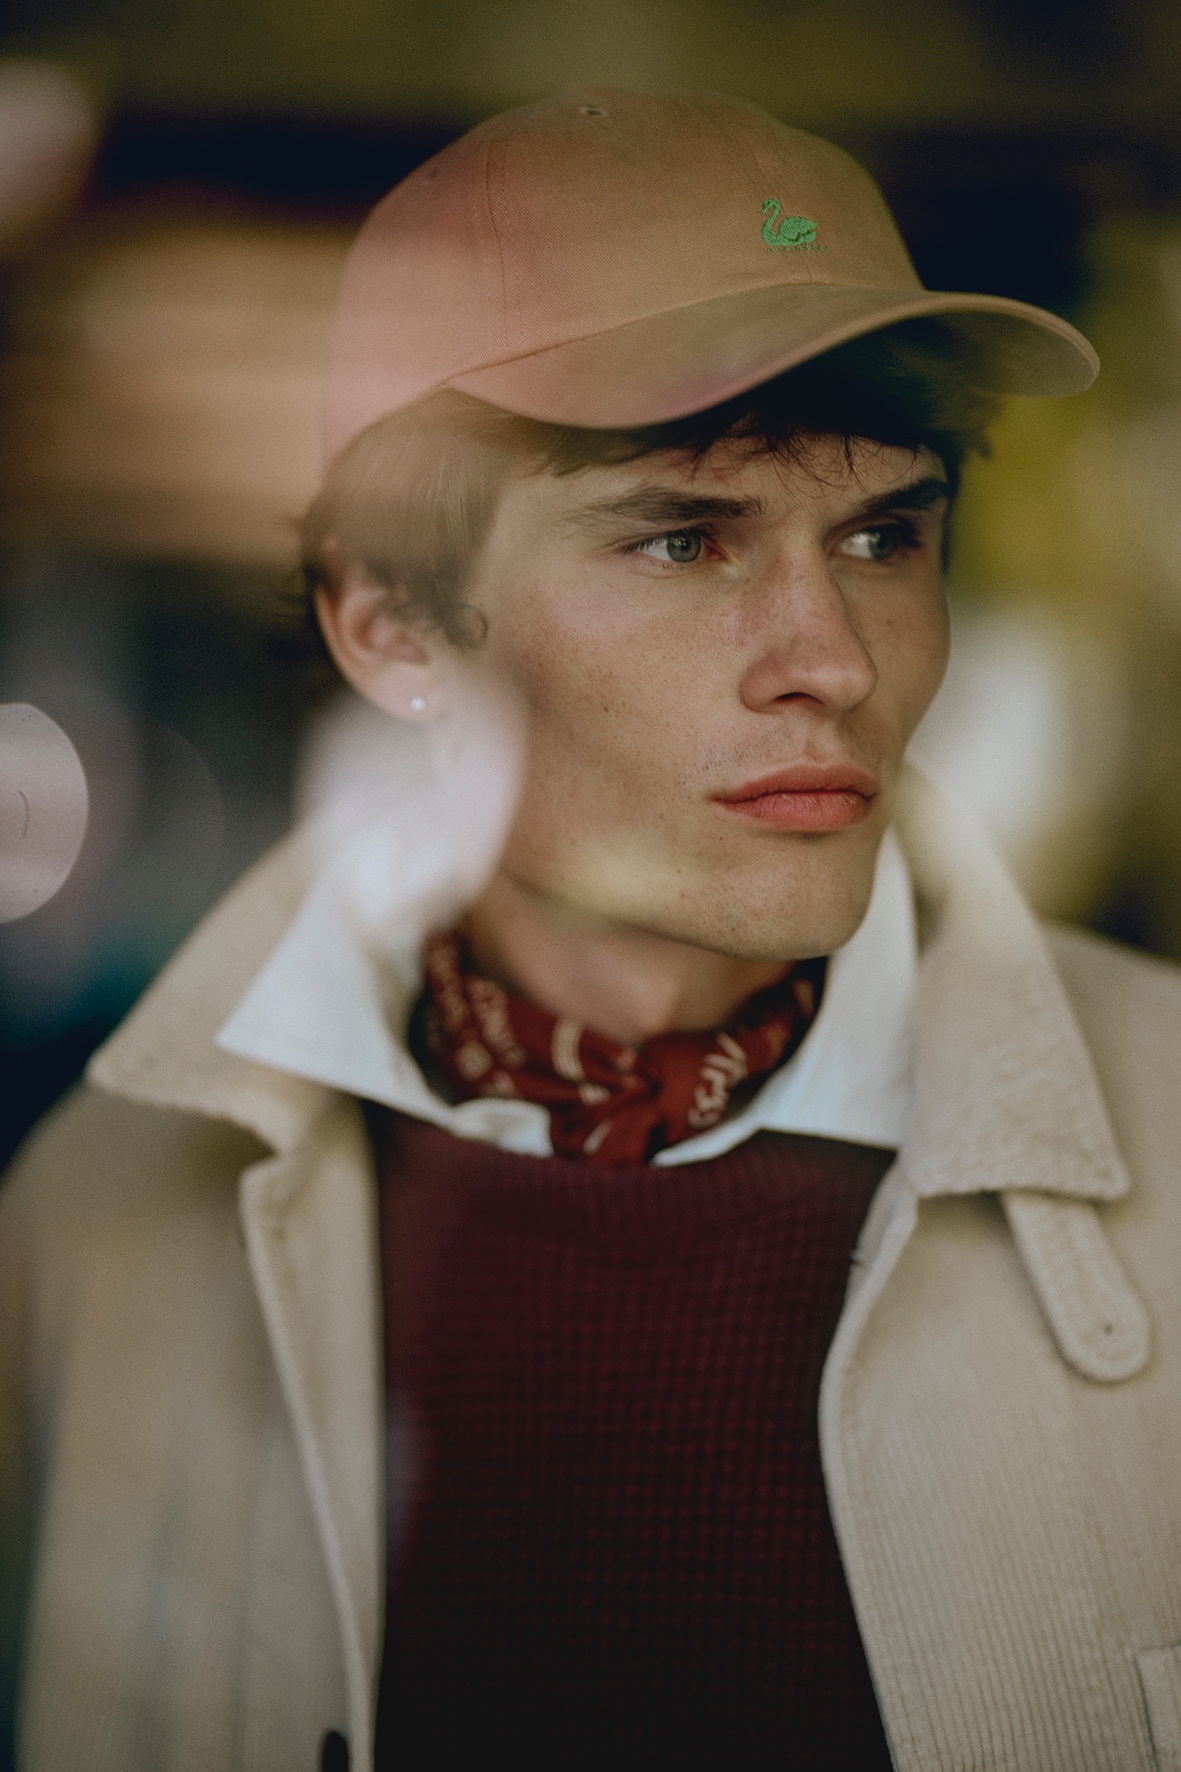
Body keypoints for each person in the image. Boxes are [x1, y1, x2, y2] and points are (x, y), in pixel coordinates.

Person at [3, 87, 1181, 1772]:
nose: (830, 657)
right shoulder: (94, 1225)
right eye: (684, 539)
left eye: (882, 534)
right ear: (391, 619)